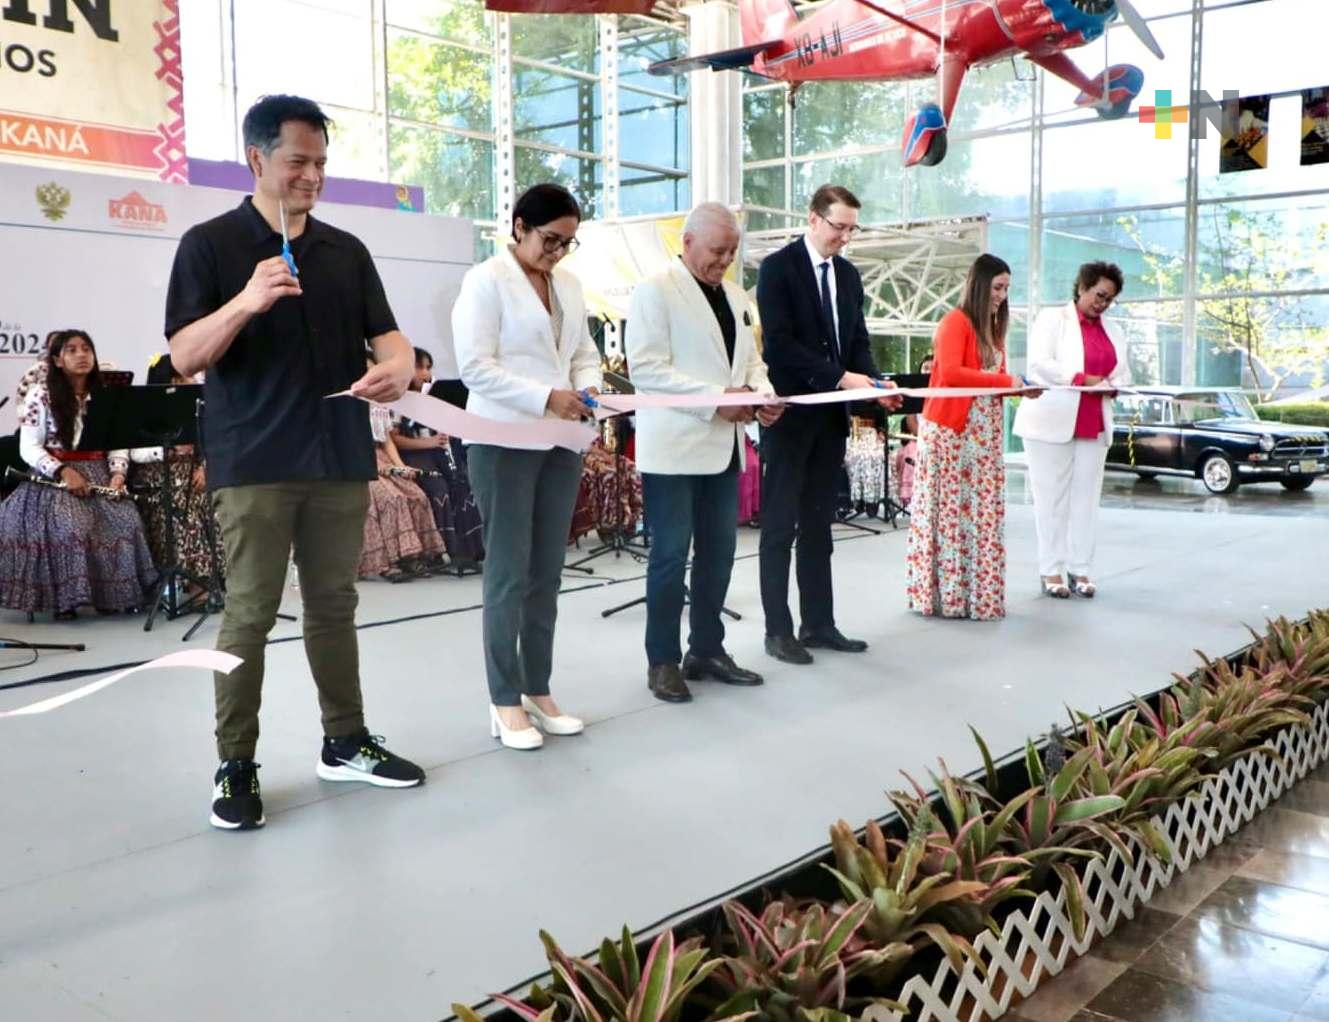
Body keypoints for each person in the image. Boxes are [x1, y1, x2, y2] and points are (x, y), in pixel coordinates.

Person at [165, 94, 425, 832]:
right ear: (257, 159)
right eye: (297, 162)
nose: (312, 175)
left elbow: (392, 340)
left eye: (320, 162)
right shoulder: (210, 245)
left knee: (334, 606)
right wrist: (246, 301)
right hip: (254, 459)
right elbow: (185, 356)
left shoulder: (346, 251)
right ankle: (235, 760)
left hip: (338, 453)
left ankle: (344, 739)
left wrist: (396, 370)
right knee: (248, 614)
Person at [452, 183, 602, 751]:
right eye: (550, 239)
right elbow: (474, 367)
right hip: (503, 438)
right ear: (518, 226)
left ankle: (538, 688)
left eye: (568, 242)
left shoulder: (568, 284)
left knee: (547, 572)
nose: (558, 252)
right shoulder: (485, 281)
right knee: (509, 573)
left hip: (561, 440)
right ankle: (503, 698)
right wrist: (546, 397)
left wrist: (585, 389)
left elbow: (583, 351)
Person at [627, 202, 783, 703]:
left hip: (725, 448)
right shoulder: (654, 291)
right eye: (717, 251)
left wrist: (763, 396)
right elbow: (647, 369)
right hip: (674, 449)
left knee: (720, 554)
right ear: (688, 242)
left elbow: (752, 361)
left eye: (732, 252)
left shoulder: (737, 295)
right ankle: (662, 661)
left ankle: (708, 650)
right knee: (670, 558)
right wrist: (718, 403)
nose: (725, 261)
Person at [756, 184, 900, 665]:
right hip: (789, 417)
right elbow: (779, 346)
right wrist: (842, 377)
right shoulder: (778, 269)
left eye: (851, 229)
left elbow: (856, 340)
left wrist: (875, 384)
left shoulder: (848, 275)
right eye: (839, 227)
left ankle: (819, 623)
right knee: (780, 527)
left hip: (830, 421)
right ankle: (778, 631)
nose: (845, 237)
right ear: (813, 219)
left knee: (819, 524)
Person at [905, 254, 1037, 621]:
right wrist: (1007, 383)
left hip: (983, 436)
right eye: (997, 287)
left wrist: (1019, 390)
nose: (1002, 295)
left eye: (1007, 288)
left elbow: (994, 378)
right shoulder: (954, 321)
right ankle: (947, 596)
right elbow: (950, 372)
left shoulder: (994, 329)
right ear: (979, 286)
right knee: (950, 513)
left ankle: (972, 596)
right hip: (951, 434)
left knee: (978, 513)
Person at [0, 330, 156, 617]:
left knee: (126, 520)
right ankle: (65, 600)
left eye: (86, 349)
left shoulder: (107, 395)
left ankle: (115, 596)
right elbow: (29, 448)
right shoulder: (40, 394)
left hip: (98, 472)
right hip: (53, 477)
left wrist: (118, 474)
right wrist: (62, 471)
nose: (82, 355)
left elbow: (117, 441)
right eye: (71, 350)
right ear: (58, 360)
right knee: (70, 524)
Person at [1013, 261, 1131, 599]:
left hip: (1094, 421)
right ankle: (1050, 569)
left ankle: (1081, 569)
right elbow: (1038, 364)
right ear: (1082, 287)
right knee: (1051, 499)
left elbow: (1122, 372)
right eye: (1099, 295)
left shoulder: (1114, 330)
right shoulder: (1052, 319)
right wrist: (1080, 379)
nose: (1102, 303)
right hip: (1051, 421)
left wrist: (1115, 384)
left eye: (1109, 299)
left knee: (1086, 499)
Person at [130, 353, 223, 588]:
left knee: (219, 503)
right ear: (172, 382)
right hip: (158, 475)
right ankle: (196, 580)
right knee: (185, 506)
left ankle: (219, 576)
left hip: (194, 471)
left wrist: (206, 466)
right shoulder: (144, 409)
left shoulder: (201, 406)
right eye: (186, 376)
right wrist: (169, 450)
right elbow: (135, 453)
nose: (194, 380)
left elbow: (214, 443)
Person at [391, 346, 485, 567]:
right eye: (419, 367)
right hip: (413, 457)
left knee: (464, 485)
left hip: (438, 454)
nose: (425, 373)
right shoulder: (397, 399)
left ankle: (473, 550)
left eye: (428, 368)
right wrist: (429, 442)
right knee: (438, 489)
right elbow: (394, 438)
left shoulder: (433, 397)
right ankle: (444, 551)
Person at [359, 398, 446, 580]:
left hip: (383, 457)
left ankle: (414, 555)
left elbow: (387, 441)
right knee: (392, 498)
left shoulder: (377, 402)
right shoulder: (349, 401)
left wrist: (401, 467)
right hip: (360, 460)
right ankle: (389, 562)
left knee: (417, 495)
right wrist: (376, 466)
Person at [893, 355, 933, 508]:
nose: (928, 371)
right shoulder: (914, 389)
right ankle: (910, 497)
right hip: (919, 437)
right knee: (909, 452)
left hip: (937, 437)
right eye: (925, 368)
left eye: (931, 367)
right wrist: (922, 435)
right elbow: (911, 420)